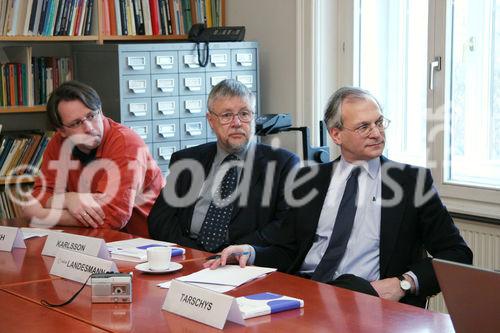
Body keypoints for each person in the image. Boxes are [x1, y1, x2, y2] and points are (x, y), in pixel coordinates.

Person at [206, 86, 473, 307]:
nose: (377, 133)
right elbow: (287, 248)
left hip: (367, 297)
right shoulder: (309, 180)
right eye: (364, 127)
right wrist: (250, 252)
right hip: (305, 292)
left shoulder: (411, 183)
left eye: (379, 122)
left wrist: (404, 283)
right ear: (336, 134)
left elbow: (458, 254)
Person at [147, 79, 299, 252]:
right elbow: (160, 220)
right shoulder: (187, 160)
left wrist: (232, 253)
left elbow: (283, 228)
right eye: (227, 115)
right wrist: (194, 254)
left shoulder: (283, 164)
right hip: (189, 256)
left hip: (245, 264)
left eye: (244, 114)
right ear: (211, 120)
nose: (237, 123)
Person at [23, 80, 165, 237]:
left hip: (144, 244)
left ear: (101, 111)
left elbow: (112, 218)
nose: (89, 128)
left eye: (91, 116)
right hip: (91, 238)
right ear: (61, 131)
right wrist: (68, 199)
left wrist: (42, 215)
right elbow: (40, 194)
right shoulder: (58, 143)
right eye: (76, 123)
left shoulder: (126, 143)